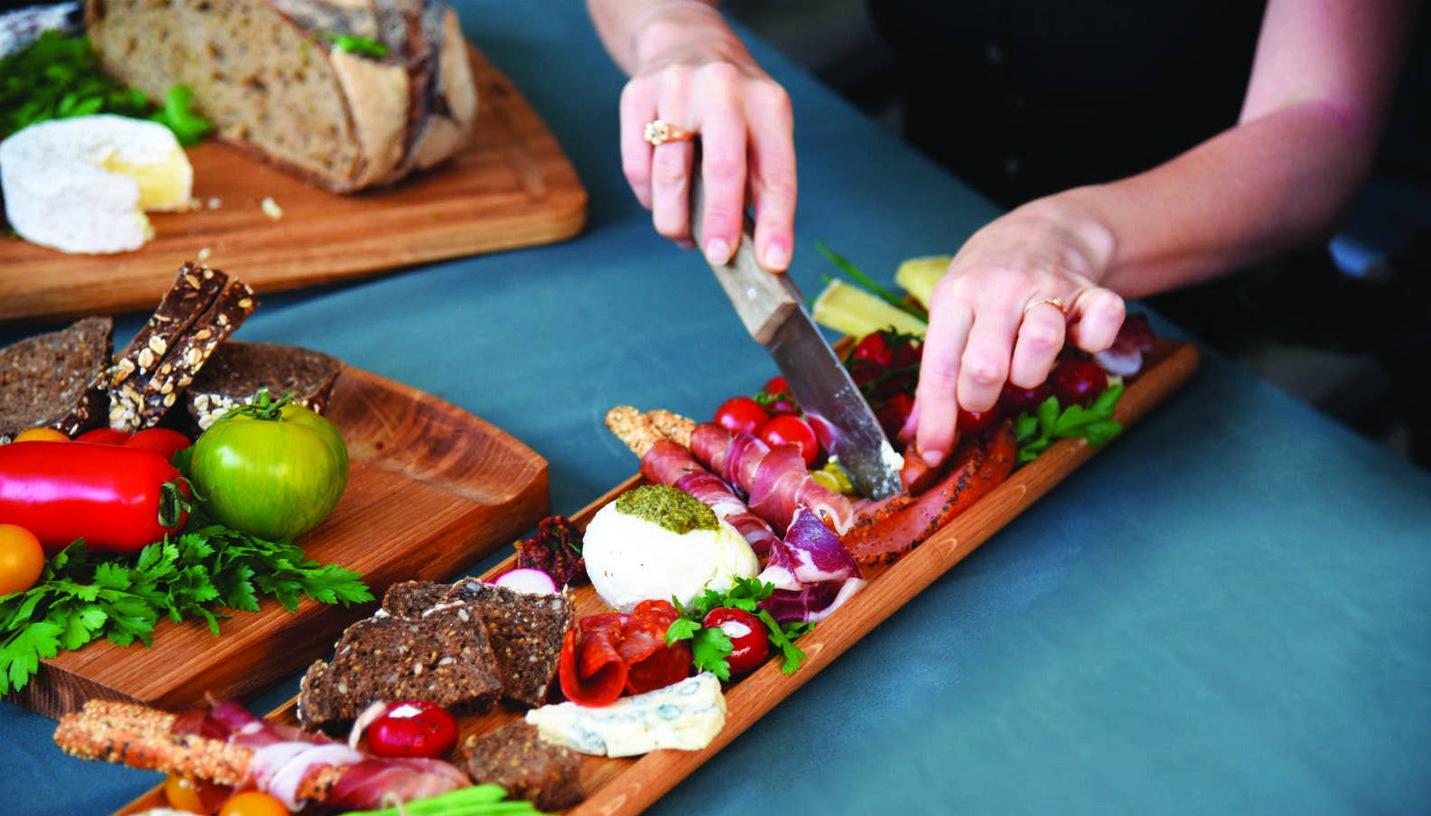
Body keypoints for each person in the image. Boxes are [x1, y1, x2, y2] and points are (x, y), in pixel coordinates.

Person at [586, 0, 1421, 467]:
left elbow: (1318, 127)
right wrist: (679, 37)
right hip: (918, 192)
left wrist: (1075, 232)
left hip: (1187, 247)